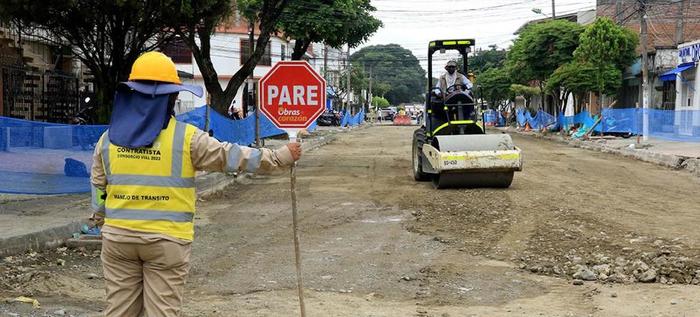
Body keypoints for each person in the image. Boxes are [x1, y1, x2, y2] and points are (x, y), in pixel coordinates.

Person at [90, 52, 302, 317]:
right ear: (171, 99)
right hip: (166, 242)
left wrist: (101, 221)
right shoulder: (187, 139)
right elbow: (232, 156)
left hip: (118, 239)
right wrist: (278, 157)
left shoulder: (108, 139)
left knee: (119, 312)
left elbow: (98, 189)